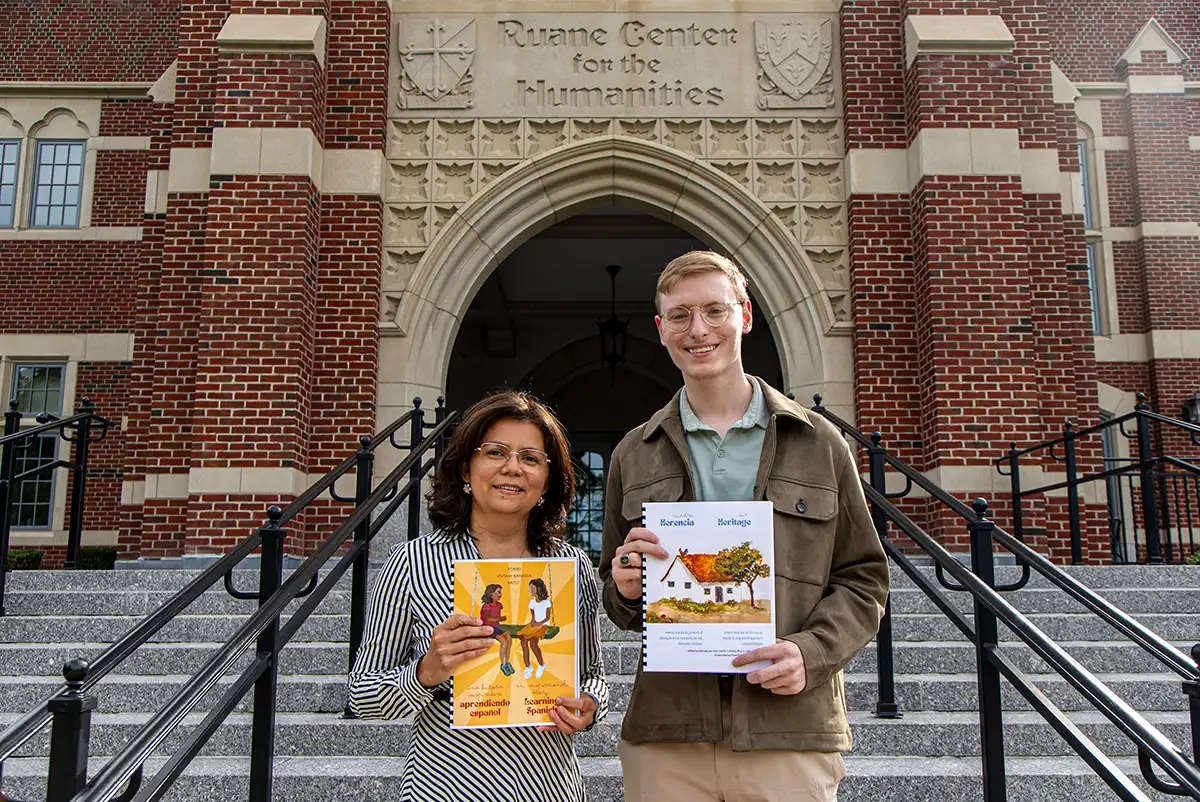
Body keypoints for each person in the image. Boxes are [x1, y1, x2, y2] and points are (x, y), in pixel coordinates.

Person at [599, 250, 890, 802]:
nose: (698, 329)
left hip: (789, 731)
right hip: (669, 734)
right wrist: (625, 585)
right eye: (680, 316)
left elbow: (864, 578)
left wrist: (812, 652)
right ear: (661, 330)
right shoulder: (632, 454)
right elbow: (620, 602)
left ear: (746, 316)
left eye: (715, 310)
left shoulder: (819, 442)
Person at [349, 390, 609, 802]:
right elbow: (363, 695)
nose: (512, 468)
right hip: (445, 789)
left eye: (530, 458)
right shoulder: (412, 562)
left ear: (547, 480)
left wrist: (590, 705)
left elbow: (594, 673)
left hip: (550, 789)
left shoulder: (571, 567)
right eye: (495, 452)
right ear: (466, 469)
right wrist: (426, 672)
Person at [479, 583, 516, 676]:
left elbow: (497, 617)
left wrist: (499, 619)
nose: (500, 594)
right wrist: (500, 619)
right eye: (498, 592)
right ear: (491, 594)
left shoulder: (499, 605)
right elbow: (487, 619)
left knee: (509, 638)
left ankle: (506, 662)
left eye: (501, 592)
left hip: (496, 626)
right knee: (503, 641)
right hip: (488, 628)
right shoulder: (486, 606)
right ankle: (503, 665)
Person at [519, 578, 552, 679]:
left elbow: (547, 617)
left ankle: (541, 665)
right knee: (523, 641)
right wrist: (532, 625)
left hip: (544, 625)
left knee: (533, 644)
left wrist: (539, 624)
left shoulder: (546, 602)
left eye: (532, 588)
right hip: (535, 624)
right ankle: (528, 667)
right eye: (530, 588)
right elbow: (533, 617)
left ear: (538, 589)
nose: (530, 590)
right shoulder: (532, 603)